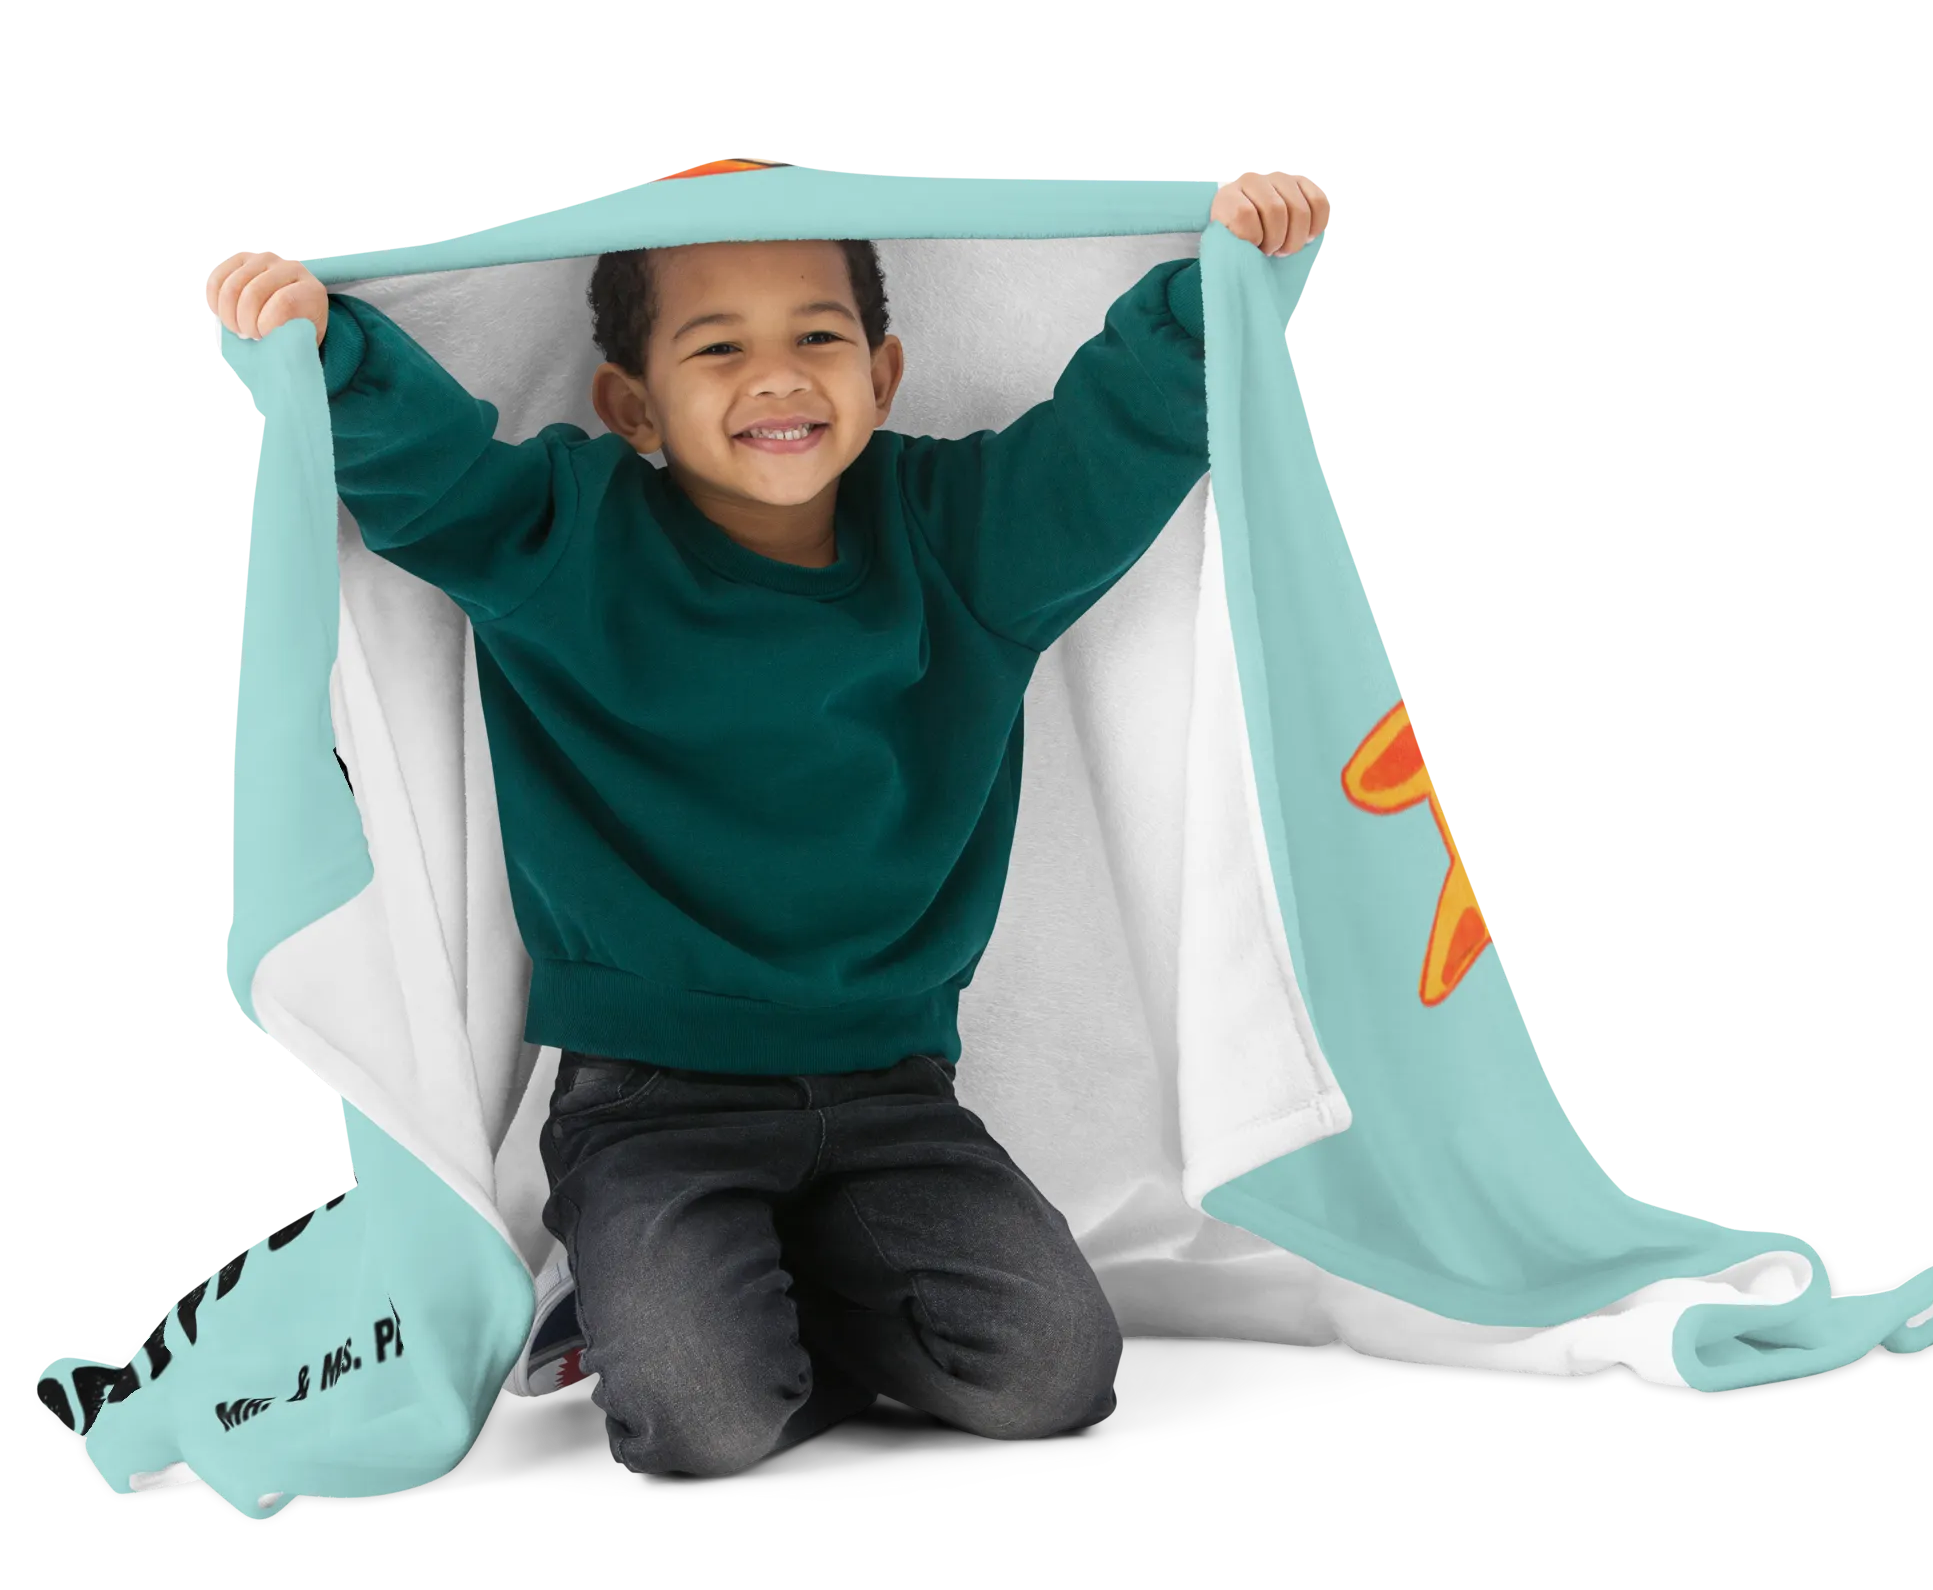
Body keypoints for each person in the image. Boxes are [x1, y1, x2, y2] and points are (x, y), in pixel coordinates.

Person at [201, 166, 1331, 1477]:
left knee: (1051, 1376)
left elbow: (1112, 446)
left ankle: (757, 1292)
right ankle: (649, 1300)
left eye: (818, 337)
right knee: (709, 1417)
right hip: (649, 1100)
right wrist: (323, 351)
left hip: (894, 1090)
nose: (779, 376)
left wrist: (1226, 291)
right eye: (718, 348)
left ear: (883, 375)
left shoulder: (962, 539)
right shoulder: (570, 542)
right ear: (633, 406)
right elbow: (435, 479)